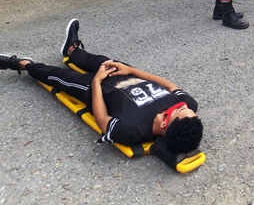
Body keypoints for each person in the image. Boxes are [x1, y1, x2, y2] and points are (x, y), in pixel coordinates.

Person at [0, 19, 203, 154]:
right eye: (190, 112)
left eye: (180, 111)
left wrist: (96, 82)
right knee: (104, 61)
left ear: (166, 124)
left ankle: (20, 63)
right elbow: (168, 85)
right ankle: (71, 50)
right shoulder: (188, 105)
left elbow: (102, 119)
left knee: (57, 76)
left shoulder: (131, 130)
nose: (184, 107)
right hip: (127, 77)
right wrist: (131, 70)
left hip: (96, 89)